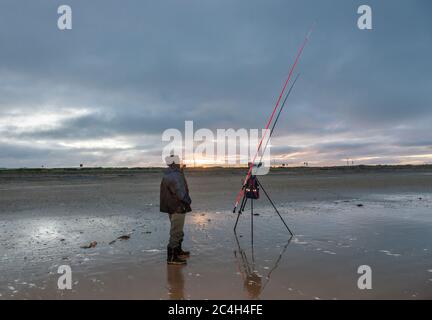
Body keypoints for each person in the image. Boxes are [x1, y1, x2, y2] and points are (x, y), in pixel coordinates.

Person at [160, 155, 192, 265]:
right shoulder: (175, 175)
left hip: (172, 206)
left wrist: (181, 171)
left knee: (178, 231)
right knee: (176, 232)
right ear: (175, 163)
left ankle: (178, 251)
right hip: (177, 207)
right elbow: (181, 193)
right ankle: (172, 258)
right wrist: (188, 201)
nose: (180, 162)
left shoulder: (170, 173)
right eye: (178, 161)